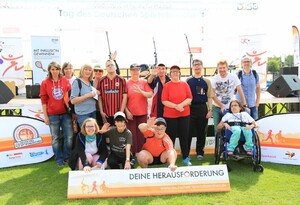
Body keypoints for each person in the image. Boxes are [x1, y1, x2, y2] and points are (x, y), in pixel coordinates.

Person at [40, 61, 73, 166]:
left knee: (69, 136)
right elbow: (43, 100)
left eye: (56, 69)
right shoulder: (45, 82)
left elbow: (70, 97)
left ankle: (67, 157)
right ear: (49, 70)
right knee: (55, 138)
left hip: (65, 114)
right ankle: (59, 158)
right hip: (52, 115)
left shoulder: (65, 81)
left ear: (60, 70)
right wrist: (45, 116)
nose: (55, 71)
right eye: (52, 69)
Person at [161, 65, 193, 166]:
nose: (175, 73)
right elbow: (164, 100)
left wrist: (181, 105)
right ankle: (170, 158)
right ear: (170, 74)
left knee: (184, 136)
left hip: (184, 114)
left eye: (177, 71)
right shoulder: (167, 85)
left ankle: (185, 157)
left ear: (180, 73)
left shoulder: (185, 84)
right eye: (173, 71)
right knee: (170, 137)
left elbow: (189, 98)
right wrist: (176, 106)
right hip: (170, 116)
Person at [186, 59, 214, 160]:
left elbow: (210, 96)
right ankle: (186, 153)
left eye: (199, 65)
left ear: (202, 66)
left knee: (201, 132)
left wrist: (210, 110)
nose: (197, 67)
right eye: (195, 65)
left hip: (202, 107)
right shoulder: (188, 80)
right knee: (188, 132)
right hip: (190, 108)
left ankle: (200, 152)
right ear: (192, 67)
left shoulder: (206, 81)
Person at [211, 60, 247, 135]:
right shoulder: (214, 79)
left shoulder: (233, 77)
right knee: (217, 129)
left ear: (227, 68)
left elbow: (240, 90)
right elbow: (212, 95)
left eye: (224, 67)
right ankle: (218, 146)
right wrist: (221, 106)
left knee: (230, 128)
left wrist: (244, 104)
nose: (222, 70)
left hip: (230, 108)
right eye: (220, 68)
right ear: (217, 68)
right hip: (217, 107)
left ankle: (229, 146)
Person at [125, 63, 153, 154]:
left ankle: (141, 152)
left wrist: (141, 91)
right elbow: (123, 99)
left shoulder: (143, 82)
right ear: (130, 71)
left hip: (142, 112)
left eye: (137, 70)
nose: (135, 72)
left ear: (139, 71)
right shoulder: (126, 83)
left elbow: (150, 94)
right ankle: (133, 152)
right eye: (133, 70)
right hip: (130, 113)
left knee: (141, 134)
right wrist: (127, 111)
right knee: (131, 134)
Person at [97, 60, 127, 125]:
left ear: (115, 67)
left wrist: (121, 112)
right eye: (108, 65)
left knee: (119, 132)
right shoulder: (101, 81)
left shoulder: (122, 80)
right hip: (106, 113)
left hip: (118, 112)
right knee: (108, 133)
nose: (110, 67)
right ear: (106, 68)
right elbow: (99, 98)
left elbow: (124, 97)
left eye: (112, 65)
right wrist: (101, 111)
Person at [70, 64, 97, 128]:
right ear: (82, 70)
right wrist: (87, 95)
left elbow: (94, 94)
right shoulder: (77, 82)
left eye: (90, 70)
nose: (88, 71)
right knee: (87, 133)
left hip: (93, 112)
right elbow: (73, 101)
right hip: (83, 114)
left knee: (92, 134)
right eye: (86, 69)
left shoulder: (91, 82)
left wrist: (97, 93)